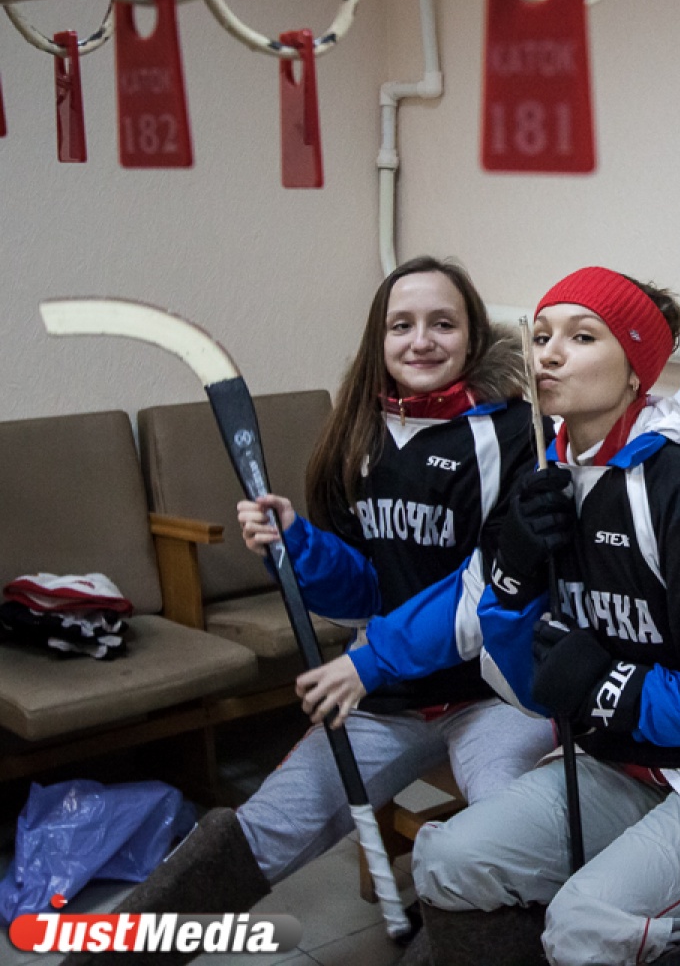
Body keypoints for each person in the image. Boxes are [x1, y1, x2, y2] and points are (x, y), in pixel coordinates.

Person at [306, 267, 680, 966]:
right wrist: (513, 579)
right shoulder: (545, 483)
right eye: (541, 336)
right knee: (447, 860)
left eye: (581, 337)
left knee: (582, 923)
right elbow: (520, 680)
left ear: (635, 370)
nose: (548, 355)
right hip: (621, 760)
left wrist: (611, 685)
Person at [63, 256, 555, 966]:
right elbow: (362, 591)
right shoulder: (361, 438)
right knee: (263, 828)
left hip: (496, 694)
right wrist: (296, 545)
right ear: (378, 339)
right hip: (391, 695)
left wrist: (368, 661)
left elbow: (489, 592)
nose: (421, 340)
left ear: (472, 336)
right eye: (402, 325)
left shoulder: (515, 437)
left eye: (442, 324)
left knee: (505, 846)